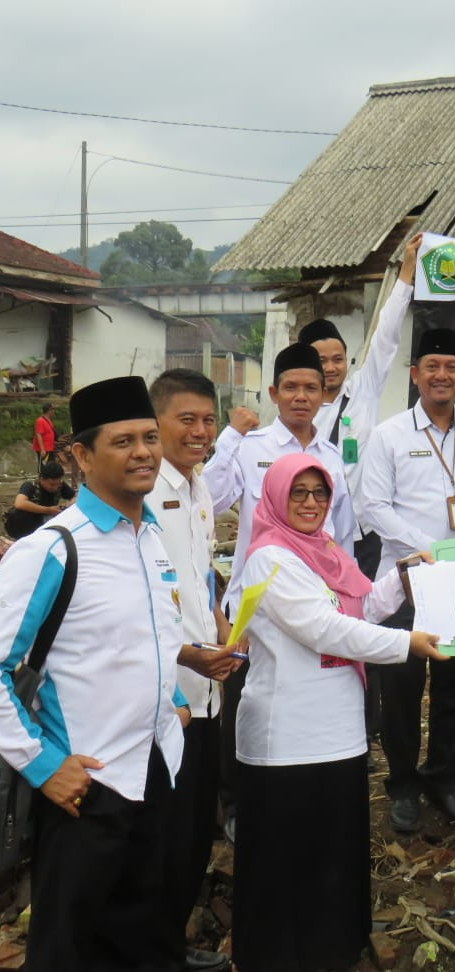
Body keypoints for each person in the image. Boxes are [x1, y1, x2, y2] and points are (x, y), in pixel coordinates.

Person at [0, 375, 189, 972]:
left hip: (156, 768)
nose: (143, 453)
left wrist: (176, 698)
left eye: (150, 438)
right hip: (87, 785)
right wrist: (43, 764)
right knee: (70, 947)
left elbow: (151, 637)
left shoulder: (151, 536)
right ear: (81, 456)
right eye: (123, 441)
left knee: (145, 933)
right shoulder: (54, 550)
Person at [231, 454, 445, 972]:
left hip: (339, 727)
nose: (310, 503)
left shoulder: (326, 550)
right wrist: (406, 644)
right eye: (298, 493)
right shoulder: (269, 557)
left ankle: (332, 946)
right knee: (291, 851)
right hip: (288, 733)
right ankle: (280, 956)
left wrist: (402, 576)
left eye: (319, 493)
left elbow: (361, 607)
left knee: (333, 846)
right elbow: (321, 627)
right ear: (276, 498)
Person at [202, 342, 354, 840]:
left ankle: (298, 794)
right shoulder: (252, 447)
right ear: (274, 392)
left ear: (323, 393)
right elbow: (211, 499)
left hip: (314, 605)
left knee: (302, 697)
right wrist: (229, 436)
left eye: (311, 387)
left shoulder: (330, 455)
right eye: (291, 387)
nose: (301, 396)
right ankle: (236, 803)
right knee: (246, 703)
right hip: (255, 604)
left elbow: (342, 533)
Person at [361, 327, 455, 832]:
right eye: (432, 367)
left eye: (451, 367)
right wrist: (426, 551)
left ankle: (444, 777)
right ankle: (402, 782)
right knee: (400, 692)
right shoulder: (390, 434)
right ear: (415, 374)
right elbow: (373, 505)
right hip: (406, 583)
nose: (441, 375)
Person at [147, 369, 238, 972]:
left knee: (192, 828)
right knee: (162, 831)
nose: (201, 431)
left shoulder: (200, 485)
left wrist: (220, 621)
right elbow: (147, 596)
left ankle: (169, 940)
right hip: (166, 695)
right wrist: (190, 650)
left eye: (208, 420)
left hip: (208, 687)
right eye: (187, 419)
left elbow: (198, 575)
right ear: (156, 422)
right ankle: (151, 947)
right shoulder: (144, 490)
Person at [297, 232, 423, 578]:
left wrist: (407, 274)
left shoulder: (362, 391)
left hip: (365, 533)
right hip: (317, 532)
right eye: (322, 361)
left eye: (339, 359)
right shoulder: (298, 414)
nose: (332, 367)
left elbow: (386, 336)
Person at [3, 460, 75, 540]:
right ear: (42, 479)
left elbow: (75, 497)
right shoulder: (30, 486)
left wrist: (67, 506)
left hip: (46, 521)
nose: (55, 487)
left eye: (57, 484)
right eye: (52, 484)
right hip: (26, 524)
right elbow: (19, 503)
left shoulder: (60, 485)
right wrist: (48, 510)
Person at [32, 402, 57, 473]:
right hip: (44, 449)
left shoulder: (48, 420)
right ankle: (41, 480)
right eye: (53, 409)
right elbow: (38, 434)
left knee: (51, 466)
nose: (54, 411)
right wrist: (42, 449)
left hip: (49, 448)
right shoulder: (40, 421)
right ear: (49, 410)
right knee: (43, 467)